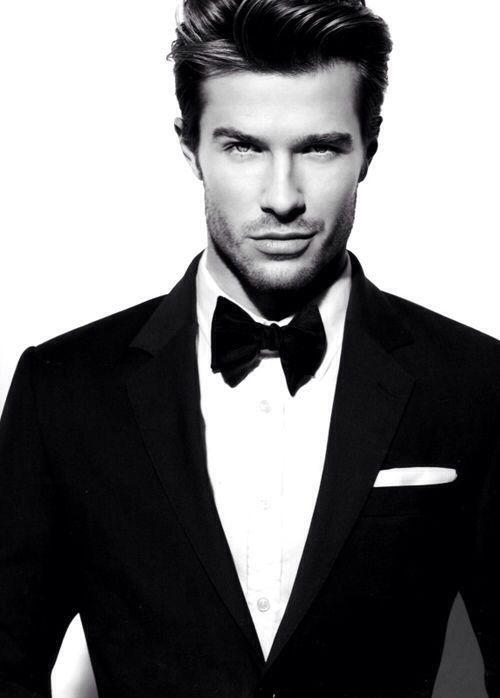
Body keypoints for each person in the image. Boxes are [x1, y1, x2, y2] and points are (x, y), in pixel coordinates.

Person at [0, 0, 498, 696]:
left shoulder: (475, 382)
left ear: (369, 149)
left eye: (319, 148)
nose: (282, 197)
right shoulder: (63, 389)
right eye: (243, 147)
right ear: (190, 149)